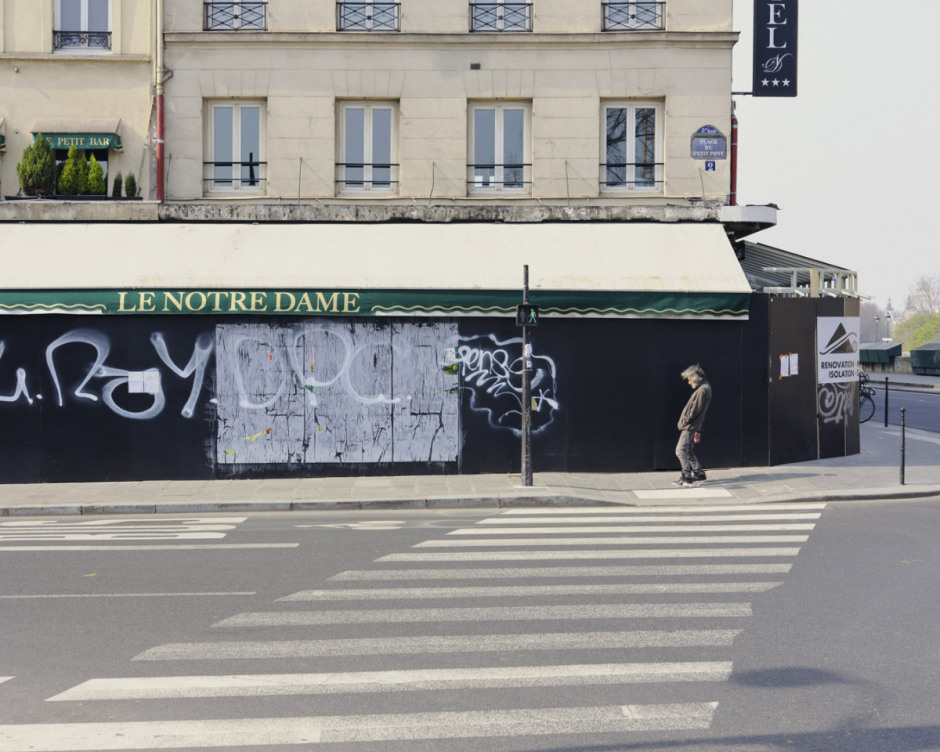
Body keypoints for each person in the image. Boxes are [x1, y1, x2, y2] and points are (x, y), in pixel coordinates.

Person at [674, 364, 712, 486]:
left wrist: (686, 420)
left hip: (689, 426)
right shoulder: (706, 388)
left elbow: (696, 410)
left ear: (696, 378)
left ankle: (686, 476)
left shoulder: (702, 390)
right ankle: (699, 473)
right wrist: (699, 430)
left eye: (690, 379)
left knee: (680, 450)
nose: (689, 382)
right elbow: (702, 412)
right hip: (693, 426)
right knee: (689, 450)